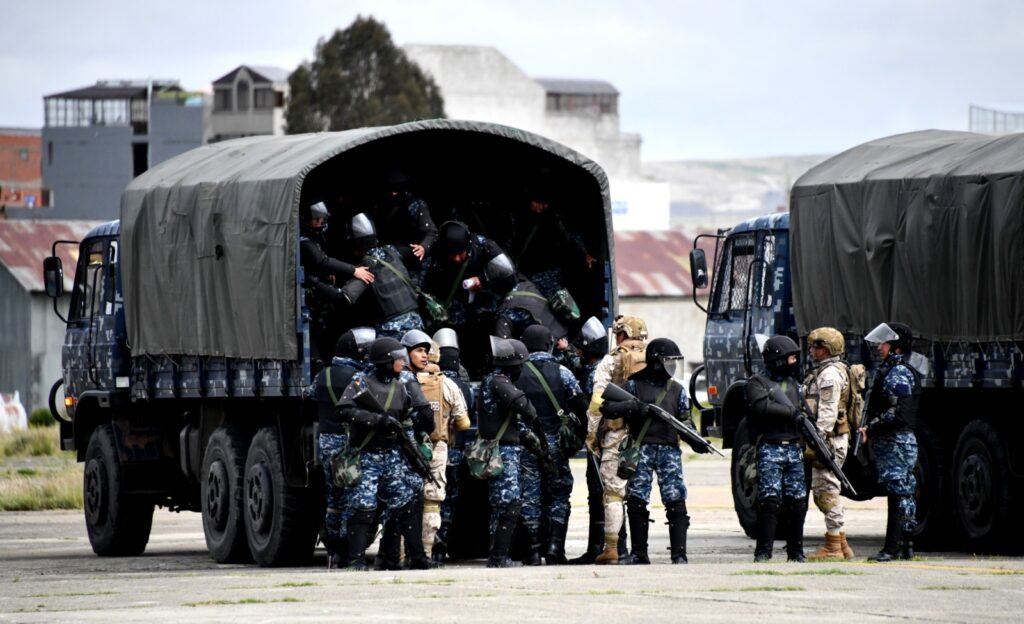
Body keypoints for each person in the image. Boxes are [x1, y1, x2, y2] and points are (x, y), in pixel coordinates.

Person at [336, 337, 434, 571]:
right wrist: (377, 420)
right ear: (386, 361)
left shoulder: (401, 386)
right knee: (363, 506)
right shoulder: (361, 382)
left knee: (406, 503)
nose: (402, 362)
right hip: (367, 455)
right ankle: (356, 560)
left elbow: (412, 417)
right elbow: (344, 409)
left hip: (392, 454)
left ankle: (415, 557)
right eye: (399, 358)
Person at [598, 338, 693, 564]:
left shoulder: (677, 389)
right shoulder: (633, 385)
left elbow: (686, 421)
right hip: (640, 449)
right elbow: (607, 407)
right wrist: (633, 407)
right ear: (656, 361)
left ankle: (679, 554)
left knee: (675, 498)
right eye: (668, 360)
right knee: (638, 499)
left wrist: (696, 439)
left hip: (669, 450)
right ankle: (639, 553)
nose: (672, 365)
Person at [514, 325, 589, 565]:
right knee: (558, 494)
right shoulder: (563, 372)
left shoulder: (516, 374)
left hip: (527, 443)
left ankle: (533, 552)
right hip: (556, 443)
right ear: (549, 344)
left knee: (530, 496)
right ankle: (556, 548)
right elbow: (582, 407)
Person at [401, 330, 470, 564]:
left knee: (404, 499)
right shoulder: (447, 384)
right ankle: (426, 553)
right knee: (432, 501)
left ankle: (401, 554)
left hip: (406, 447)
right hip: (437, 447)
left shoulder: (401, 381)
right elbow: (463, 422)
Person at [585, 315, 648, 564]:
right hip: (647, 435)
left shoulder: (611, 360)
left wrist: (591, 434)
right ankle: (641, 550)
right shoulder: (654, 358)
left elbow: (597, 401)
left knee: (613, 492)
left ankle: (611, 548)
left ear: (622, 334)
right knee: (640, 493)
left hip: (617, 434)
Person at [478, 338, 546, 568]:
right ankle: (498, 557)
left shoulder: (495, 381)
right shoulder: (498, 381)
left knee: (501, 506)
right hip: (502, 451)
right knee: (509, 503)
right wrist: (533, 414)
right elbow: (522, 405)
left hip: (504, 450)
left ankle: (498, 555)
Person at [315, 328, 375, 569]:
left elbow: (310, 397)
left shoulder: (323, 376)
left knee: (333, 499)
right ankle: (347, 548)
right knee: (352, 497)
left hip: (326, 443)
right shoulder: (358, 377)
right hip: (349, 445)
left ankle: (333, 550)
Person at [860, 322, 920, 562]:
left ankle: (892, 548)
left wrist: (871, 427)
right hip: (899, 441)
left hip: (896, 442)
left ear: (895, 347)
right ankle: (906, 545)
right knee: (904, 493)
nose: (879, 348)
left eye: (883, 344)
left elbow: (898, 412)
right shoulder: (895, 369)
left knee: (898, 494)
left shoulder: (897, 372)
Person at [745, 335, 808, 562]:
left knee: (798, 501)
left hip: (793, 448)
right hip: (770, 447)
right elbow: (761, 407)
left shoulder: (794, 384)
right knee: (769, 501)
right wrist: (792, 413)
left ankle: (796, 552)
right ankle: (763, 552)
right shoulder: (757, 382)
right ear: (778, 358)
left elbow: (805, 410)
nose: (794, 362)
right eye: (790, 357)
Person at [419, 221, 509, 373]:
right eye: (452, 255)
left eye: (460, 254)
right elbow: (423, 282)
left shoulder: (484, 247)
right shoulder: (437, 250)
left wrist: (483, 280)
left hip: (481, 312)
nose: (456, 259)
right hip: (451, 315)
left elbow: (508, 275)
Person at [802, 327, 855, 560]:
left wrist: (817, 440)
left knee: (826, 491)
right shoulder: (832, 370)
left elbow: (827, 413)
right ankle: (841, 544)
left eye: (816, 347)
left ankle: (833, 546)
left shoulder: (830, 375)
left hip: (829, 439)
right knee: (828, 488)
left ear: (827, 349)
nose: (812, 351)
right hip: (831, 438)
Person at [567, 316, 617, 564]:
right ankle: (605, 547)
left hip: (597, 442)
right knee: (606, 494)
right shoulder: (605, 368)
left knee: (599, 494)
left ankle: (600, 548)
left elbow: (591, 408)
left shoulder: (592, 373)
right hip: (607, 440)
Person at [300, 200, 374, 362]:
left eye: (321, 218)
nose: (319, 222)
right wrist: (354, 270)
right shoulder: (303, 239)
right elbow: (320, 260)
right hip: (307, 295)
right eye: (315, 219)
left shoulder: (318, 236)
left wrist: (327, 273)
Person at [338, 213, 426, 339]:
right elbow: (418, 253)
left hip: (392, 332)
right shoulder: (393, 251)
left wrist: (315, 281)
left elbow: (343, 297)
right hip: (416, 324)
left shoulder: (366, 267)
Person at [431, 327, 476, 564]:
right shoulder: (464, 387)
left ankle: (427, 545)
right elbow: (465, 423)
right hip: (455, 452)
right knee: (449, 500)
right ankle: (441, 545)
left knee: (430, 498)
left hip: (432, 450)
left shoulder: (427, 383)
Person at [507, 180, 596, 298]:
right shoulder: (516, 218)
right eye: (537, 202)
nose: (540, 208)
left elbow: (568, 238)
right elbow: (509, 244)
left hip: (549, 273)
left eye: (544, 204)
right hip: (525, 273)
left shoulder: (552, 220)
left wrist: (584, 255)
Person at [376, 169, 439, 266]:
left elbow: (431, 231)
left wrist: (423, 247)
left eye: (396, 190)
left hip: (414, 258)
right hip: (391, 255)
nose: (393, 194)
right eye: (390, 190)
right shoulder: (382, 204)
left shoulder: (415, 205)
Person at [493, 270, 569, 342]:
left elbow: (502, 346)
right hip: (562, 330)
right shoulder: (526, 283)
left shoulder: (505, 311)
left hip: (552, 339)